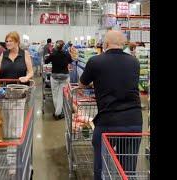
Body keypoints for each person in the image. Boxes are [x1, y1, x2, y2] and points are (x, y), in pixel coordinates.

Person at [79, 30, 142, 180]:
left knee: (101, 166)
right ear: (123, 44)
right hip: (133, 121)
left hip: (108, 121)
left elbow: (82, 83)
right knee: (127, 169)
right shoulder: (135, 62)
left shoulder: (95, 61)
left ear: (105, 44)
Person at [45, 40, 75, 120]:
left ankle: (57, 113)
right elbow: (71, 61)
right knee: (61, 95)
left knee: (55, 94)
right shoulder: (66, 54)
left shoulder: (53, 54)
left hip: (54, 76)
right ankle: (58, 112)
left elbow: (46, 61)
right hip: (65, 76)